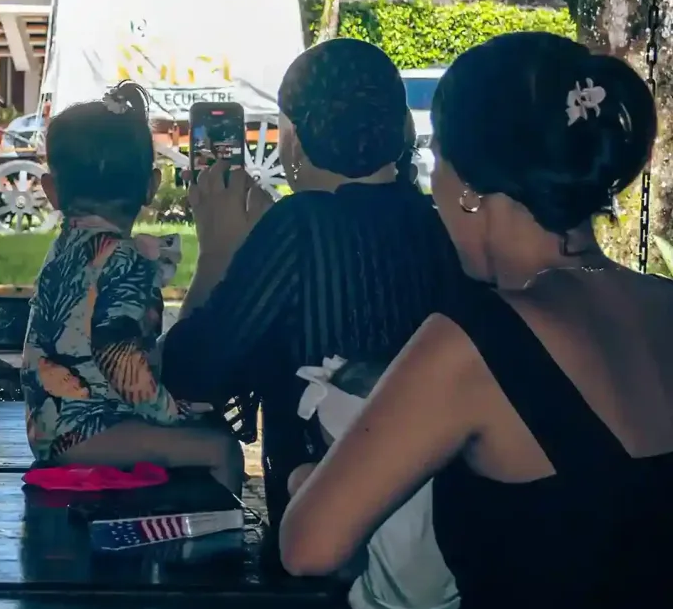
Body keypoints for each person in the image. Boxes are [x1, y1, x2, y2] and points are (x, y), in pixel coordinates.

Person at [281, 33, 673, 609]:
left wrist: (316, 472)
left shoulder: (474, 340)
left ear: (464, 187)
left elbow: (311, 546)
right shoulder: (663, 308)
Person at [161, 38, 463, 531]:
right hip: (430, 528)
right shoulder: (434, 222)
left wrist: (218, 253)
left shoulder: (299, 227)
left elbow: (187, 377)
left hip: (320, 530)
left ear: (296, 141)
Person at [22, 83, 243, 492]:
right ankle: (218, 547)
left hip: (50, 423)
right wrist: (170, 413)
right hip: (89, 430)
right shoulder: (122, 257)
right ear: (151, 185)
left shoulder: (66, 246)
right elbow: (116, 353)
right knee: (220, 449)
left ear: (52, 191)